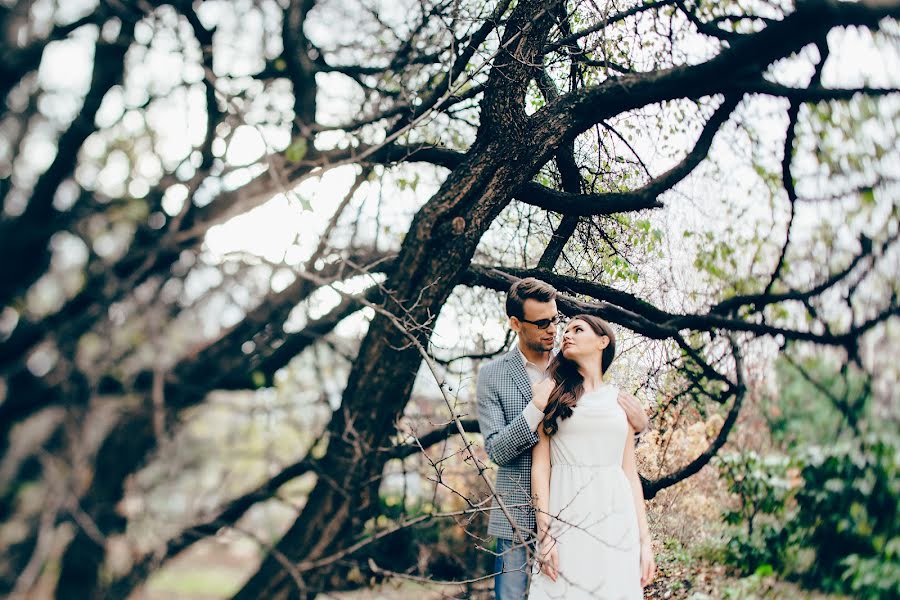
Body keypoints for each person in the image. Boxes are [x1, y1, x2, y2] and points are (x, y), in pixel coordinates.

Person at [476, 278, 649, 599]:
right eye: (542, 323)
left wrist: (639, 429)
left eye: (555, 319)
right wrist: (535, 408)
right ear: (516, 323)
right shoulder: (493, 375)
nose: (553, 330)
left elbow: (602, 438)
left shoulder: (572, 365)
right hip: (517, 515)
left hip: (574, 512)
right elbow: (497, 450)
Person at [529, 314, 656, 599]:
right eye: (567, 330)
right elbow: (540, 469)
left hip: (616, 521)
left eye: (578, 329)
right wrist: (545, 534)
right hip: (566, 518)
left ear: (603, 341)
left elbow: (630, 475)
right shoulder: (551, 395)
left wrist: (645, 543)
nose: (567, 335)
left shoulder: (621, 402)